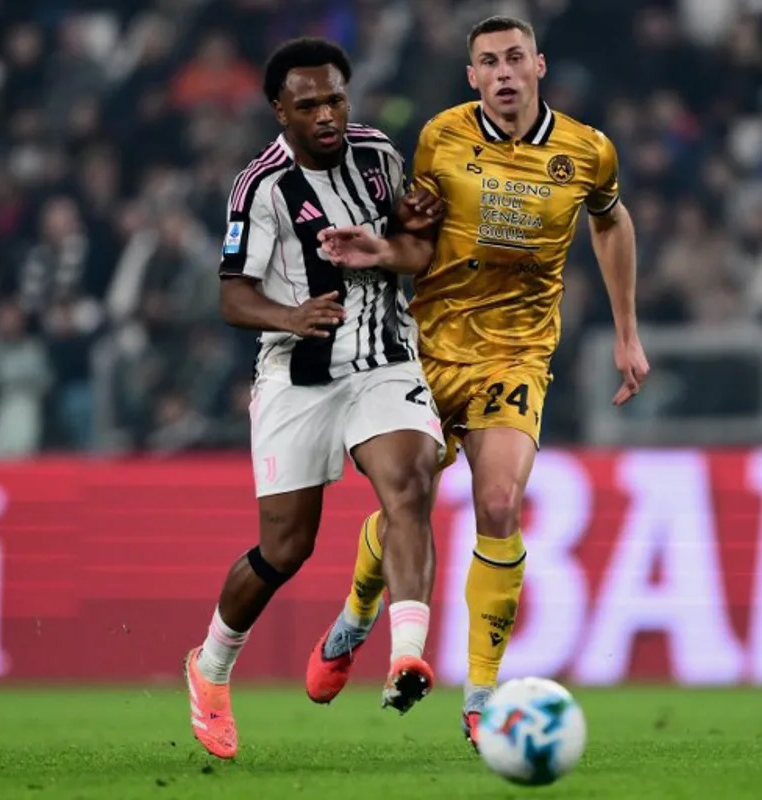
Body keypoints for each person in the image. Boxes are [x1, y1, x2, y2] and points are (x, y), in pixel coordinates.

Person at [303, 15, 649, 749]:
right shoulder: (441, 137)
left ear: (538, 65)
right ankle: (359, 611)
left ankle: (481, 692)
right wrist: (382, 246)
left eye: (514, 57)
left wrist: (626, 332)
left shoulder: (587, 151)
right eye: (488, 61)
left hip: (516, 357)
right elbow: (416, 240)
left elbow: (611, 223)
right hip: (428, 348)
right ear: (472, 77)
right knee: (407, 503)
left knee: (498, 503)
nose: (503, 72)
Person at [184, 37, 448, 760]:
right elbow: (232, 297)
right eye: (309, 105)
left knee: (409, 486)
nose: (327, 115)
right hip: (297, 373)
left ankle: (407, 656)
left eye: (335, 98)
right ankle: (210, 668)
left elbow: (415, 255)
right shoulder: (260, 187)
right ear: (281, 110)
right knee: (286, 547)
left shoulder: (379, 156)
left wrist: (410, 232)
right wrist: (291, 316)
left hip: (384, 357)